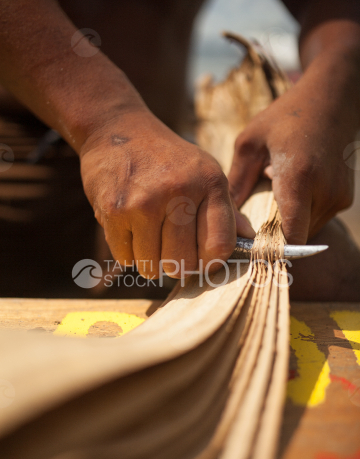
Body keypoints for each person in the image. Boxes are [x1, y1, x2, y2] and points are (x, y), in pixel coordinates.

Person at [0, 0, 359, 299]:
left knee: (330, 277)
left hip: (170, 164)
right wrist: (106, 119)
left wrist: (335, 85)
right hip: (19, 154)